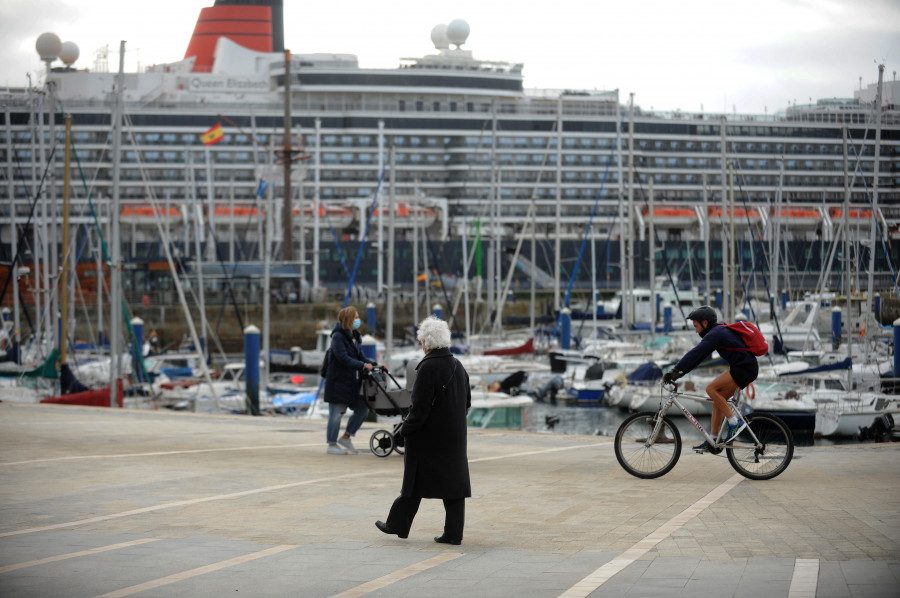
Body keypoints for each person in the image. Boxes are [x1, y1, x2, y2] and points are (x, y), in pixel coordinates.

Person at [375, 316, 471, 545]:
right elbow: (466, 402)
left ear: (426, 342)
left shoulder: (427, 367)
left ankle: (397, 524)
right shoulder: (458, 365)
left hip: (428, 437)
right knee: (454, 487)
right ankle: (453, 533)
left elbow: (419, 409)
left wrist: (404, 430)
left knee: (414, 481)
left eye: (421, 341)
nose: (421, 345)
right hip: (455, 437)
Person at [662, 305, 759, 452]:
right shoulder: (717, 332)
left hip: (744, 369)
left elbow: (695, 353)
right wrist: (679, 372)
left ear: (705, 323)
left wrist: (675, 371)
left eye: (696, 326)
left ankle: (735, 423)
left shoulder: (716, 333)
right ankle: (713, 439)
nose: (695, 330)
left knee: (710, 389)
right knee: (717, 399)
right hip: (744, 368)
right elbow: (698, 358)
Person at [323, 306, 379, 455]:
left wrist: (374, 365)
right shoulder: (338, 337)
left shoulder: (355, 336)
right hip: (337, 382)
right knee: (336, 414)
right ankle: (331, 444)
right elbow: (343, 358)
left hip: (351, 383)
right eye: (355, 317)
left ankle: (346, 437)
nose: (358, 319)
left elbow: (360, 356)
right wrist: (362, 365)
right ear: (348, 319)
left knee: (363, 408)